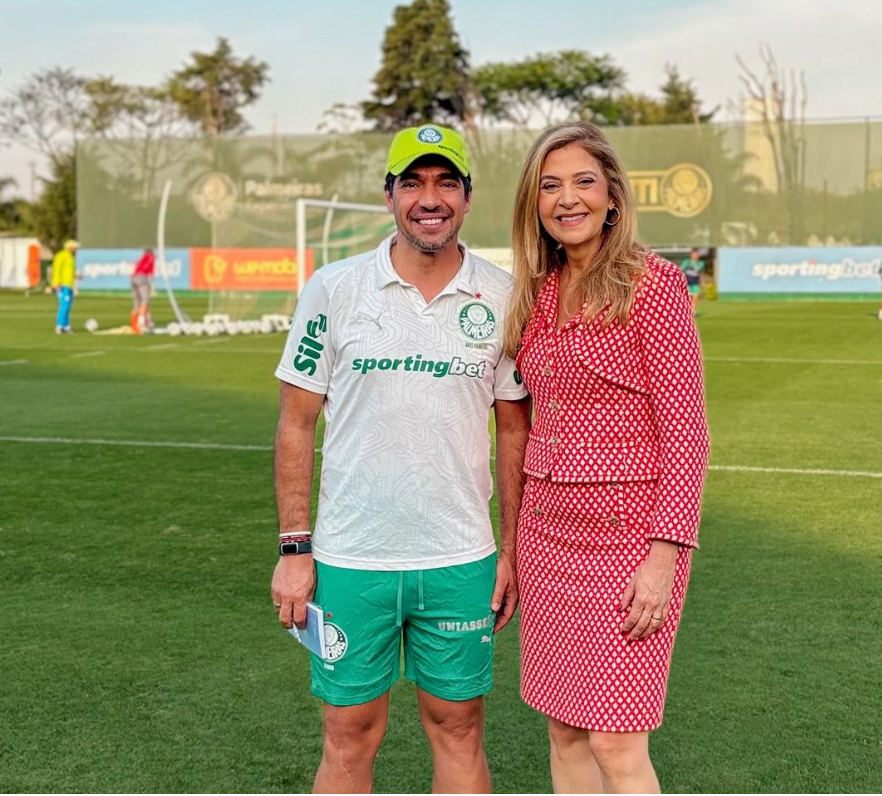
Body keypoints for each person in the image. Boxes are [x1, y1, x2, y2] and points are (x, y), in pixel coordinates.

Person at [270, 124, 531, 794]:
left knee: (459, 727)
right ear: (389, 196)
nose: (430, 197)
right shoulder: (334, 288)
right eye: (413, 181)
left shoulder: (504, 297)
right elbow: (297, 423)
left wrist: (511, 549)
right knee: (349, 736)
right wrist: (295, 548)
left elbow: (513, 431)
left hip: (460, 559)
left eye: (446, 181)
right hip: (352, 559)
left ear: (468, 198)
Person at [503, 122, 710, 794]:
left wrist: (664, 556)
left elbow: (686, 431)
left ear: (613, 195)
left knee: (616, 743)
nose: (568, 199)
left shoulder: (654, 286)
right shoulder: (535, 293)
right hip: (546, 537)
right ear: (535, 203)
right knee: (564, 730)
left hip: (629, 546)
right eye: (551, 185)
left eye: (583, 182)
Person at [50, 239, 80, 334]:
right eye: (75, 247)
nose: (76, 249)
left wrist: (75, 276)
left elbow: (68, 271)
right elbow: (57, 269)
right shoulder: (61, 255)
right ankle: (59, 326)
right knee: (64, 306)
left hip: (69, 285)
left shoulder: (70, 257)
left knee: (67, 306)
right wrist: (57, 282)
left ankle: (66, 326)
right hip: (63, 285)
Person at [130, 247, 156, 334]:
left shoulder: (141, 258)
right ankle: (142, 323)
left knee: (137, 302)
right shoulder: (151, 257)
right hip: (142, 278)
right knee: (145, 301)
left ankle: (134, 324)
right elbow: (150, 272)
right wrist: (152, 284)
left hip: (133, 278)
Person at [678, 248, 704, 314]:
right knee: (687, 297)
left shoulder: (701, 263)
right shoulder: (687, 262)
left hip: (695, 282)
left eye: (697, 255)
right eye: (694, 255)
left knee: (696, 296)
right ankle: (685, 309)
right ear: (691, 255)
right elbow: (680, 270)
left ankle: (693, 309)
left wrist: (701, 282)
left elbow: (701, 273)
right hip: (687, 282)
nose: (696, 256)